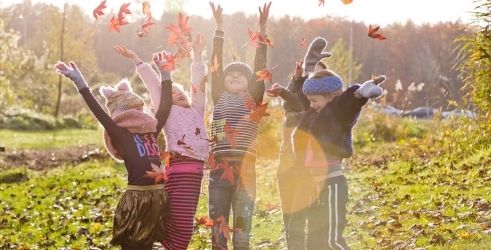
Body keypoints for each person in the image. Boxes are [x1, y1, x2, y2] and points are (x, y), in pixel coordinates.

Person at [55, 52, 173, 250]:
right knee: (132, 245)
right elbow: (99, 113)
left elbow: (165, 107)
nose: (138, 114)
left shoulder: (151, 130)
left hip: (157, 198)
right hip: (137, 199)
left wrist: (166, 74)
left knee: (149, 245)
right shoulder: (121, 136)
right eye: (132, 110)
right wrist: (80, 82)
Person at [113, 33, 208, 250]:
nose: (179, 93)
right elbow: (156, 87)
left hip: (196, 175)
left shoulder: (197, 110)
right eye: (173, 93)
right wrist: (138, 61)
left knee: (178, 228)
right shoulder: (168, 112)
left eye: (181, 91)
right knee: (182, 233)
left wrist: (198, 56)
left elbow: (199, 87)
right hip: (180, 172)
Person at [292, 36, 386, 250]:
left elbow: (348, 103)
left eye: (315, 101)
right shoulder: (312, 113)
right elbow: (305, 90)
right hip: (313, 186)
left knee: (331, 240)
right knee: (314, 243)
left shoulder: (337, 113)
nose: (311, 105)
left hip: (332, 185)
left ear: (330, 97)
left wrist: (361, 93)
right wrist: (309, 66)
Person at [207, 2, 271, 249]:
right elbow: (216, 64)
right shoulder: (218, 97)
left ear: (249, 82)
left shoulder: (253, 100)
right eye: (229, 74)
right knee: (218, 229)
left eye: (240, 75)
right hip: (219, 170)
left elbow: (260, 67)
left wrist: (262, 29)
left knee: (242, 232)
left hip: (246, 171)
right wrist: (219, 28)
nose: (233, 76)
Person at [266, 50, 330, 249]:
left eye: (315, 77)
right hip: (286, 167)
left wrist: (289, 88)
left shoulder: (319, 110)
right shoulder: (293, 107)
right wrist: (296, 77)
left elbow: (297, 102)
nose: (310, 80)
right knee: (290, 219)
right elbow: (292, 102)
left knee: (304, 219)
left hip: (309, 169)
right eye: (308, 76)